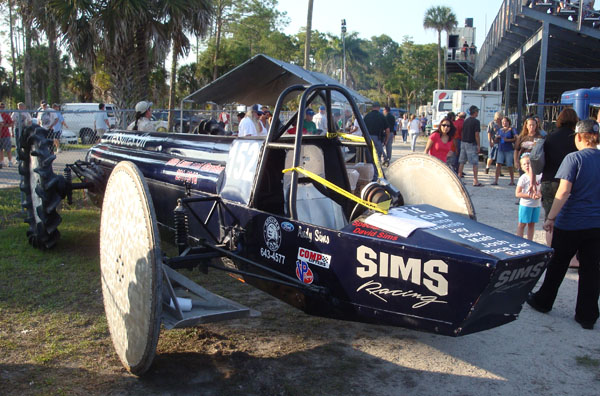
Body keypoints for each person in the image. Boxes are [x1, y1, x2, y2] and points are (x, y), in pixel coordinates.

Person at [527, 119, 600, 330]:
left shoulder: (574, 158)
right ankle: (587, 315)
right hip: (596, 224)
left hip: (571, 222)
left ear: (578, 137)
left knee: (558, 264)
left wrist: (551, 217)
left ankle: (543, 301)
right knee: (591, 269)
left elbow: (564, 191)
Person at [516, 153, 542, 240]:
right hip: (526, 205)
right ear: (521, 167)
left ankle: (530, 241)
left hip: (536, 205)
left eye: (529, 163)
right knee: (522, 224)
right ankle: (519, 241)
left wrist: (539, 194)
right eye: (524, 164)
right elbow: (518, 193)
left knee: (532, 224)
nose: (527, 165)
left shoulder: (539, 176)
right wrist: (530, 196)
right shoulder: (523, 178)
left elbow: (541, 189)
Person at [458, 105, 483, 186]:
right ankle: (475, 180)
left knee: (462, 162)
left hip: (463, 142)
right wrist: (479, 145)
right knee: (475, 163)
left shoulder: (466, 121)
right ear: (475, 112)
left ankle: (459, 178)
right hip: (471, 143)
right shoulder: (476, 122)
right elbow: (476, 134)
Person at [492, 116, 517, 185]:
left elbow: (516, 138)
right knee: (498, 164)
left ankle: (512, 181)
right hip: (501, 148)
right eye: (503, 122)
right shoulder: (500, 130)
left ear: (509, 122)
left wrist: (508, 140)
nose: (504, 123)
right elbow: (495, 139)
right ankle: (496, 180)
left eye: (505, 121)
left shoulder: (512, 130)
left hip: (509, 149)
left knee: (509, 165)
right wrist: (496, 138)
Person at [0, 102, 14, 168]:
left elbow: (11, 124)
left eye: (3, 107)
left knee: (8, 149)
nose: (2, 108)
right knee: (0, 150)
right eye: (0, 107)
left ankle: (10, 161)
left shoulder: (6, 115)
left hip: (5, 135)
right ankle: (1, 162)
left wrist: (4, 125)